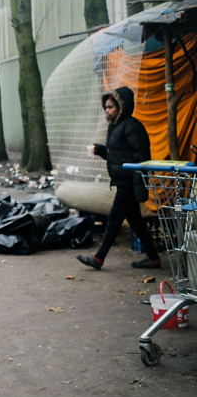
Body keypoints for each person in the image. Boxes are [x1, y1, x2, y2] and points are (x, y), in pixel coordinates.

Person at [77, 87, 160, 270]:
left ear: (121, 107)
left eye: (111, 107)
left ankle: (99, 258)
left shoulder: (132, 126)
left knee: (114, 218)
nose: (107, 110)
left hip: (129, 182)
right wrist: (100, 150)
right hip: (123, 180)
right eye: (105, 107)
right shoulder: (115, 127)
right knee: (135, 221)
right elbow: (117, 156)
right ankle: (153, 258)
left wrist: (137, 183)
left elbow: (141, 157)